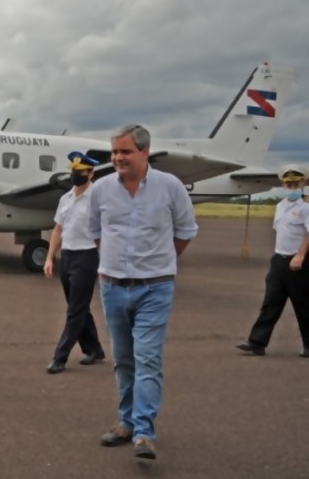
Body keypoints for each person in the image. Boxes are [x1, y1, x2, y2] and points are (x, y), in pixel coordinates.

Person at [89, 124, 197, 460]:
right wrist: (116, 264)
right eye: (115, 152)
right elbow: (96, 232)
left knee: (147, 359)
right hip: (112, 287)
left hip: (155, 288)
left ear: (144, 152)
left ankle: (144, 432)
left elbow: (185, 231)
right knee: (123, 360)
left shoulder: (170, 187)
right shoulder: (101, 189)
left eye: (125, 152)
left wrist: (159, 263)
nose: (118, 158)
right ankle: (125, 423)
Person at [43, 151, 106, 374]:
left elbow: (107, 230)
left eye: (80, 172)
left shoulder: (98, 198)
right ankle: (95, 349)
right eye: (73, 172)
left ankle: (59, 357)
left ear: (91, 173)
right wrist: (50, 257)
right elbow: (58, 229)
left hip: (87, 256)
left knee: (75, 310)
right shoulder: (65, 198)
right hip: (68, 257)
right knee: (78, 307)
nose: (76, 176)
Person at [236, 164, 309, 357]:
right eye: (288, 184)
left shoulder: (306, 207)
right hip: (279, 260)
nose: (291, 188)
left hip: (298, 262)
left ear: (303, 183)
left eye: (295, 184)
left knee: (303, 305)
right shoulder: (280, 206)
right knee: (271, 302)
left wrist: (300, 256)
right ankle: (257, 342)